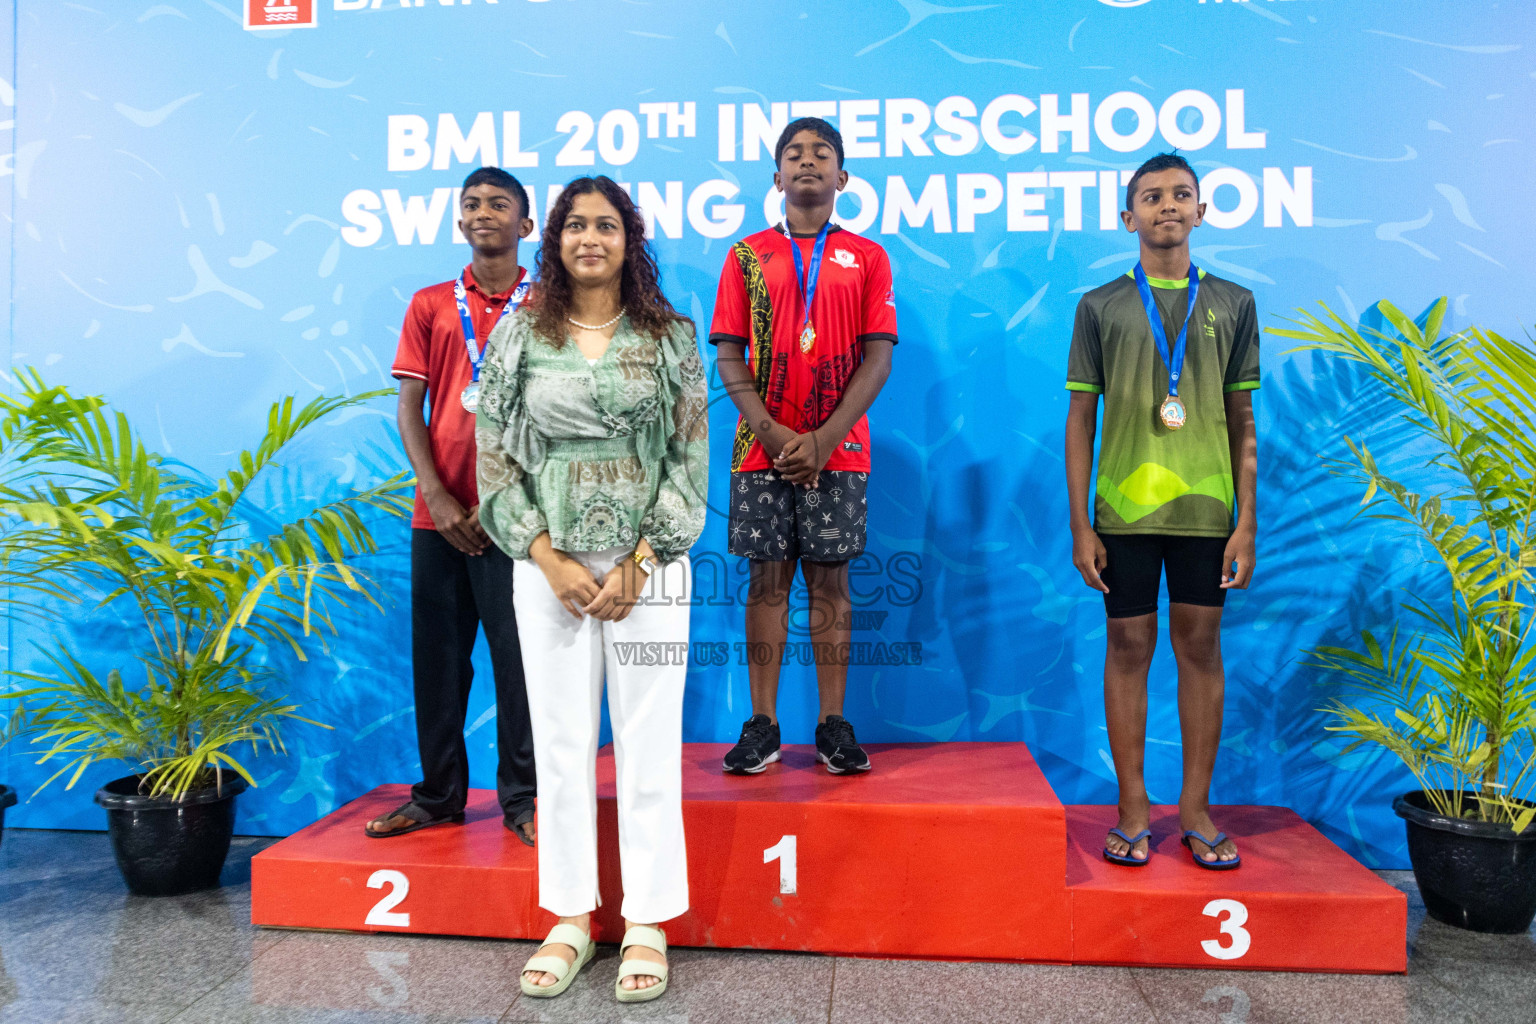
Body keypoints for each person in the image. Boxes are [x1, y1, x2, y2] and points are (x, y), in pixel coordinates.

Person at [475, 175, 707, 1002]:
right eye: (576, 225)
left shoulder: (672, 337)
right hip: (549, 573)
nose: (589, 239)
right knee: (562, 743)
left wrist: (644, 559)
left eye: (606, 226)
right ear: (556, 239)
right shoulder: (517, 337)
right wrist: (546, 555)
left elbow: (689, 459)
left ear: (629, 240)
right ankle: (570, 917)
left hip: (653, 568)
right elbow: (493, 456)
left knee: (648, 744)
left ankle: (647, 919)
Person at [1064, 152, 1259, 871]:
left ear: (1202, 211)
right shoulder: (1100, 306)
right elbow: (1080, 420)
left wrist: (1247, 520)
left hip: (1209, 513)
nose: (1166, 206)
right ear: (1128, 217)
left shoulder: (1234, 303)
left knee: (1202, 652)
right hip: (1123, 513)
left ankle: (1197, 809)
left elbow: (1244, 420)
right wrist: (1082, 522)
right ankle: (1134, 808)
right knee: (1127, 652)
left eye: (1181, 195)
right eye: (1151, 197)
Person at [709, 117, 896, 776]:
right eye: (794, 153)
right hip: (760, 450)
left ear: (843, 178)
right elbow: (729, 355)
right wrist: (777, 434)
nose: (807, 161)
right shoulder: (745, 257)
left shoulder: (869, 258)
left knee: (832, 585)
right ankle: (762, 725)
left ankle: (832, 725)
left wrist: (823, 438)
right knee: (765, 583)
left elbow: (878, 360)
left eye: (822, 153)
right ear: (777, 177)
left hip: (838, 451)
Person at [370, 167, 538, 845]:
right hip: (438, 517)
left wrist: (503, 498)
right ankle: (438, 795)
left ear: (526, 226)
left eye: (499, 203)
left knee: (518, 662)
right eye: (471, 203)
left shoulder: (549, 304)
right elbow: (411, 408)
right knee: (439, 662)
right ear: (460, 221)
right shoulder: (431, 303)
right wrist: (436, 495)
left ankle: (524, 801)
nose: (483, 212)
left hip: (520, 514)